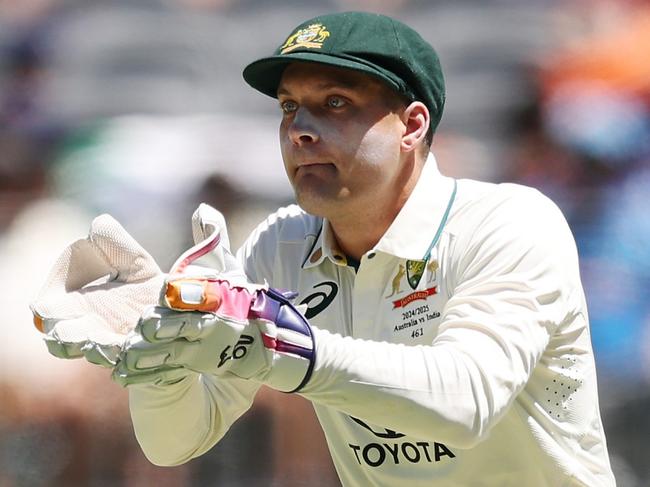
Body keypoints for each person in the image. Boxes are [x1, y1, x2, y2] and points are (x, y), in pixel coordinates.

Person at [33, 12, 616, 486]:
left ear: (412, 125)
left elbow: (465, 404)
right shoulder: (283, 246)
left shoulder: (509, 223)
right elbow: (175, 443)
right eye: (289, 106)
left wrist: (281, 348)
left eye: (335, 102)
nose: (300, 129)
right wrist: (162, 366)